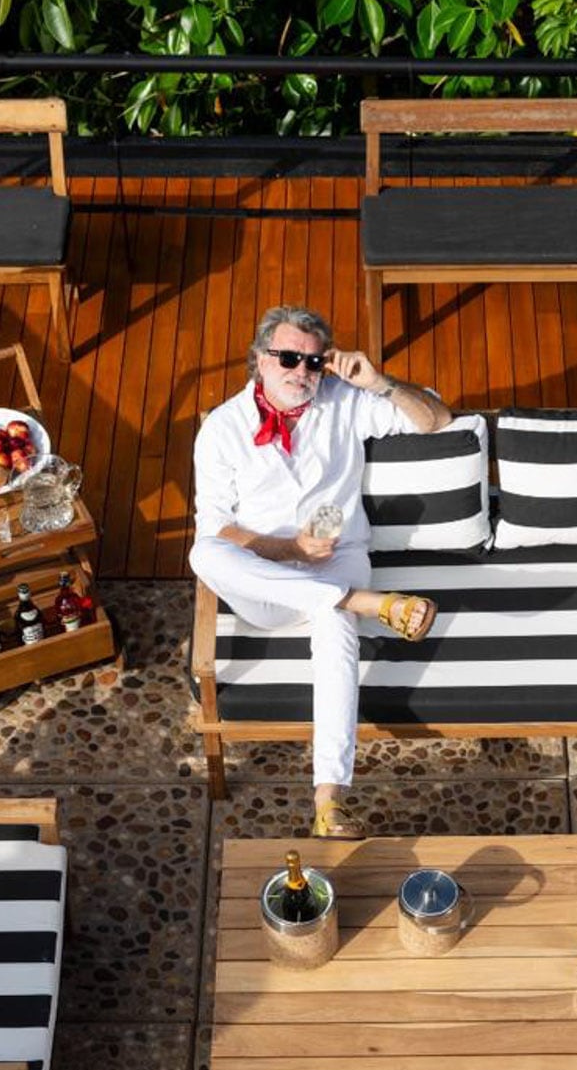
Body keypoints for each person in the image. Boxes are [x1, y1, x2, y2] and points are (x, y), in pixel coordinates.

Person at [191, 304, 453, 839]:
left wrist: (382, 383)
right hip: (266, 574)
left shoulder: (346, 403)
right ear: (259, 360)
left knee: (334, 628)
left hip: (340, 558)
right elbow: (219, 531)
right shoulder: (220, 429)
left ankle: (329, 800)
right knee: (202, 555)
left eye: (313, 362)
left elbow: (437, 420)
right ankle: (363, 602)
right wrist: (286, 549)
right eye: (288, 357)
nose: (301, 372)